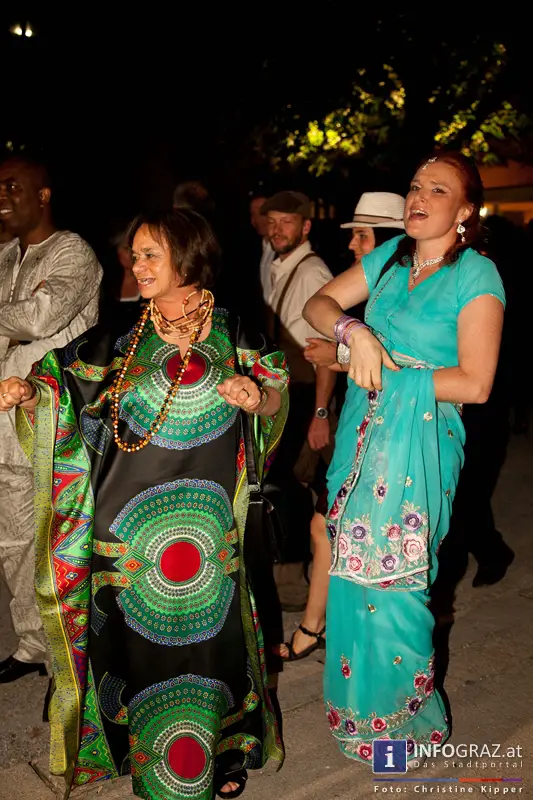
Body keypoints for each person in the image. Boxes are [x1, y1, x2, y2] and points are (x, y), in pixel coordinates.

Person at [1, 208, 288, 799]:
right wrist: (30, 392)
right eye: (135, 253)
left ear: (189, 257)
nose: (138, 263)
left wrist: (257, 397)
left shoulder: (236, 332)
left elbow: (276, 387)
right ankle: (146, 757)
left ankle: (216, 754)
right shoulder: (118, 338)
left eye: (152, 253)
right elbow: (59, 380)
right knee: (139, 649)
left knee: (211, 648)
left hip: (208, 531)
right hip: (127, 531)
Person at [303, 152, 504, 765]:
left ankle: (406, 733)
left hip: (419, 443)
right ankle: (362, 722)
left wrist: (383, 373)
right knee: (349, 570)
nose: (419, 196)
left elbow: (476, 383)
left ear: (465, 210)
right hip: (363, 441)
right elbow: (318, 305)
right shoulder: (387, 260)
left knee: (395, 583)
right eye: (415, 185)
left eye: (438, 189)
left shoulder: (478, 275)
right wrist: (352, 334)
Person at [281, 192, 405, 660]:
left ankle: (325, 630)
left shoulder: (399, 291)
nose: (353, 245)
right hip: (359, 422)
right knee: (324, 525)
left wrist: (339, 355)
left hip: (389, 429)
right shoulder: (370, 287)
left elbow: (402, 363)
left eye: (362, 235)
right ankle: (316, 627)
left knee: (333, 527)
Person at [0, 155, 102, 684]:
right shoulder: (4, 257)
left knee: (61, 541)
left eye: (12, 185)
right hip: (5, 423)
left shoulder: (72, 252)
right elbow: (19, 325)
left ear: (42, 194)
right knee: (14, 542)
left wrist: (19, 322)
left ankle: (73, 658)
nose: (2, 195)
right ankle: (34, 645)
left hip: (53, 422)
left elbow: (43, 318)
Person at [260, 190, 336, 612]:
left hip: (306, 392)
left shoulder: (311, 272)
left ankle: (296, 584)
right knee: (285, 484)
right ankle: (292, 577)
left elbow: (325, 348)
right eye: (272, 221)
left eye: (286, 222)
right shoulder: (280, 265)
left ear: (306, 227)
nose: (277, 229)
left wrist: (320, 413)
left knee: (288, 485)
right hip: (289, 389)